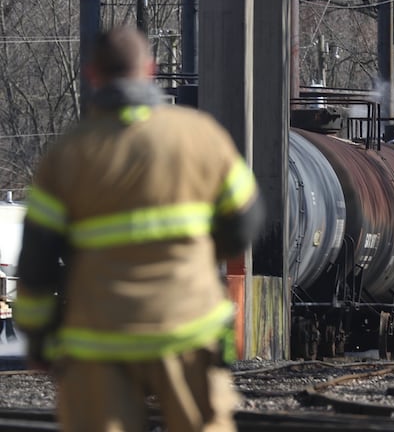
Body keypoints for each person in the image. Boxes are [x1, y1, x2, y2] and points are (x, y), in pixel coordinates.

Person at [14, 26, 264, 432]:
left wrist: (39, 337)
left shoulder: (66, 156)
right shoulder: (201, 137)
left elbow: (37, 262)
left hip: (98, 340)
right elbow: (246, 221)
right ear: (151, 70)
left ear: (92, 74)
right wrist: (200, 259)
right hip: (188, 329)